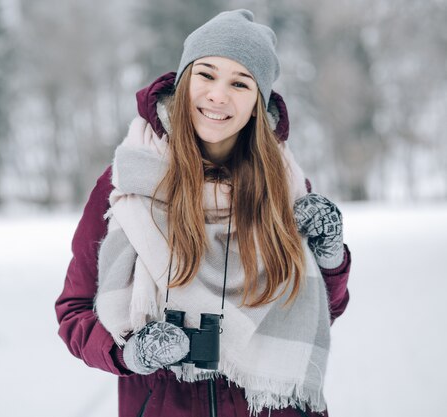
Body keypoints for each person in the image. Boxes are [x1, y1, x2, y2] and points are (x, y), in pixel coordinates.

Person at [56, 9, 351, 417]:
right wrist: (131, 354)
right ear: (183, 81)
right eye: (206, 74)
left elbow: (320, 311)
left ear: (257, 104)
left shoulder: (285, 188)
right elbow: (74, 312)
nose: (218, 95)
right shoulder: (124, 183)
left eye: (240, 82)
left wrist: (332, 256)